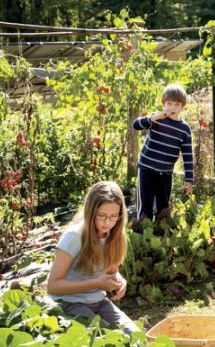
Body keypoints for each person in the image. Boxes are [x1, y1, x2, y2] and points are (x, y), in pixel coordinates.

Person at [47, 181, 140, 334]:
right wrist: (96, 283)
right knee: (108, 339)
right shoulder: (74, 237)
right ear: (90, 212)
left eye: (113, 216)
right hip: (68, 303)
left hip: (99, 301)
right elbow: (53, 286)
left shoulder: (115, 236)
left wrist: (120, 281)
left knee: (136, 336)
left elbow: (111, 272)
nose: (108, 222)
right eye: (102, 216)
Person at [132, 83, 193, 221]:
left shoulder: (184, 129)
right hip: (146, 168)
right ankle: (142, 232)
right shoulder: (156, 119)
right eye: (169, 103)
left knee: (163, 206)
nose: (172, 108)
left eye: (177, 104)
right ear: (163, 104)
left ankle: (160, 234)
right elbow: (135, 125)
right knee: (145, 204)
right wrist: (151, 118)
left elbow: (188, 156)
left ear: (183, 107)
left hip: (165, 173)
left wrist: (189, 179)